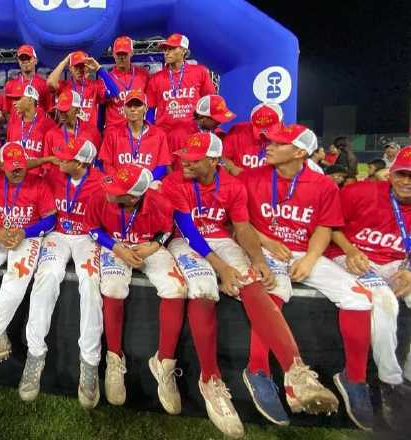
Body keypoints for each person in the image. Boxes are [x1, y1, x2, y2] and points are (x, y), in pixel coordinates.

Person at [162, 132, 338, 434]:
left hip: (222, 238)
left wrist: (257, 259)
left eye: (194, 159)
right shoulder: (174, 181)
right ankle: (210, 380)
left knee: (251, 279)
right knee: (203, 288)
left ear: (214, 161)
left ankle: (296, 372)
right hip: (185, 243)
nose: (185, 163)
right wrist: (221, 269)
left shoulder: (231, 184)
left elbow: (242, 229)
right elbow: (188, 231)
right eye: (184, 157)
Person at [239, 124, 375, 431]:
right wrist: (265, 240)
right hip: (266, 249)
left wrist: (312, 258)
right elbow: (240, 222)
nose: (268, 145)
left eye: (277, 142)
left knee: (359, 297)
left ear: (300, 152)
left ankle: (354, 378)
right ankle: (258, 369)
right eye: (269, 140)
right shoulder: (250, 177)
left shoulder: (322, 184)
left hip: (305, 251)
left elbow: (325, 227)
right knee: (273, 290)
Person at [85, 163, 208, 408]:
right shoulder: (99, 196)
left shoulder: (160, 202)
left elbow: (165, 230)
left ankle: (165, 362)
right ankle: (114, 359)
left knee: (176, 288)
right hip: (115, 246)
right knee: (113, 288)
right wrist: (116, 247)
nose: (109, 190)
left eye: (117, 189)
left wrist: (153, 246)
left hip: (147, 247)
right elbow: (92, 228)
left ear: (132, 197)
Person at [328, 147, 411, 430]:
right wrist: (350, 250)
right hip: (353, 256)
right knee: (384, 301)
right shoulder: (360, 192)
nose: (407, 181)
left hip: (397, 262)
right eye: (402, 174)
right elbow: (329, 225)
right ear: (391, 173)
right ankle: (390, 382)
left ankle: (406, 377)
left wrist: (409, 271)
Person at [19, 138, 104, 408]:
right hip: (57, 235)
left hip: (87, 237)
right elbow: (20, 165)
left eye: (66, 157)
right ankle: (35, 354)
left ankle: (89, 362)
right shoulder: (54, 173)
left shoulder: (101, 182)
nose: (59, 160)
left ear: (80, 163)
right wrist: (45, 160)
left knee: (91, 282)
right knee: (46, 277)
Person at [0, 142, 56, 382]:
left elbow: (50, 221)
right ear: (2, 165)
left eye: (20, 166)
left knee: (17, 276)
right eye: (11, 166)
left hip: (26, 234)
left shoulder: (39, 183)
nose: (16, 171)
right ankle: (1, 338)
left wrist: (24, 233)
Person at [146, 33, 216, 154]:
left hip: (193, 134)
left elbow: (210, 102)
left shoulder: (200, 72)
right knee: (168, 172)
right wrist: (150, 135)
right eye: (165, 49)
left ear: (184, 51)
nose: (167, 53)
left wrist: (209, 130)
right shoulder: (156, 78)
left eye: (172, 48)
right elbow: (150, 110)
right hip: (165, 136)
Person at [99, 90, 171, 179]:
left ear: (145, 108)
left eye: (137, 105)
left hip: (148, 185)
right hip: (120, 187)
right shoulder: (112, 135)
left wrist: (145, 181)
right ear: (124, 109)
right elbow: (106, 165)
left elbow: (162, 166)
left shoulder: (159, 135)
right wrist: (120, 180)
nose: (133, 109)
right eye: (129, 106)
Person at [42, 90, 102, 170]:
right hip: (58, 181)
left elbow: (99, 161)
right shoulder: (51, 134)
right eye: (60, 110)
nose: (62, 114)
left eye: (65, 110)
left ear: (77, 110)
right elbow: (47, 168)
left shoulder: (92, 132)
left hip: (82, 180)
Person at [5, 84, 57, 174]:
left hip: (39, 180)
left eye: (18, 99)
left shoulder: (48, 125)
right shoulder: (13, 124)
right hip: (18, 179)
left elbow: (52, 159)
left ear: (30, 99)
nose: (14, 103)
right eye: (13, 99)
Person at [47, 51, 108, 128]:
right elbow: (50, 83)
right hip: (70, 133)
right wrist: (65, 61)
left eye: (82, 66)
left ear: (86, 67)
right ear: (70, 68)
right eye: (76, 67)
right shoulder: (65, 85)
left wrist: (99, 68)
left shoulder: (95, 85)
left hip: (89, 135)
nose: (79, 70)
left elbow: (114, 92)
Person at [222, 102, 284, 176]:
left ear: (281, 121)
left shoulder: (288, 138)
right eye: (260, 129)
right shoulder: (237, 132)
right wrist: (232, 168)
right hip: (241, 183)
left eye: (269, 128)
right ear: (252, 123)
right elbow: (222, 157)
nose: (264, 133)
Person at [103, 36, 150, 128]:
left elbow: (150, 104)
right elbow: (101, 108)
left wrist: (148, 124)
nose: (121, 57)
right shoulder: (107, 79)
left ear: (131, 53)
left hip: (137, 129)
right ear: (113, 54)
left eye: (124, 54)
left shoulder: (143, 75)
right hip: (114, 130)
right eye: (118, 54)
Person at [3, 45, 51, 114]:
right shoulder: (10, 85)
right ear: (19, 62)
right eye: (22, 59)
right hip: (17, 124)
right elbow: (7, 111)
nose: (25, 61)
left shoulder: (44, 85)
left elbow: (48, 111)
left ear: (36, 61)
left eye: (28, 58)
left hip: (36, 124)